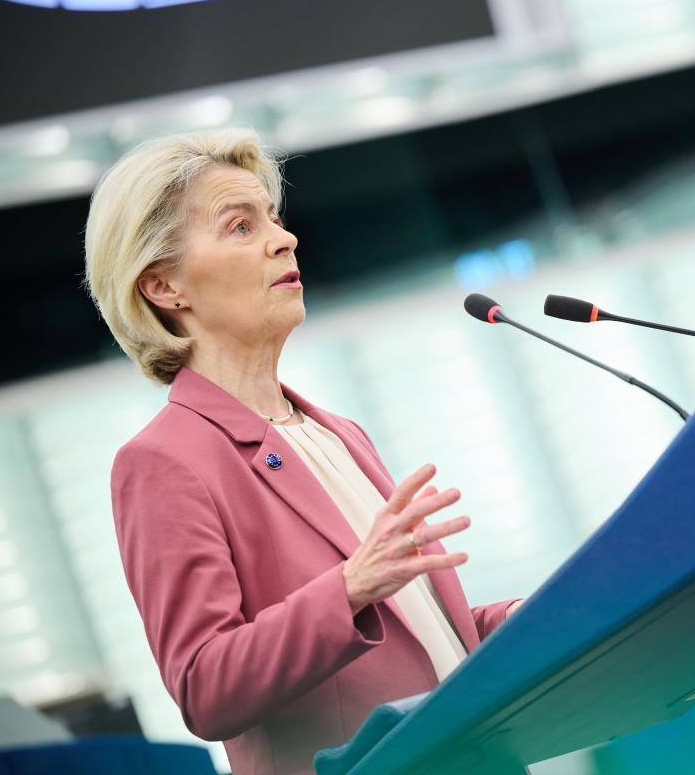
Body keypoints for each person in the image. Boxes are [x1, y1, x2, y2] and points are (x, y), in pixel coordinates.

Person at [83, 128, 521, 775]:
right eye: (239, 226)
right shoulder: (164, 461)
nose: (284, 239)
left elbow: (418, 637)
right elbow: (206, 688)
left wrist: (535, 615)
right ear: (165, 288)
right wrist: (348, 588)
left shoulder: (337, 431)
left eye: (274, 218)